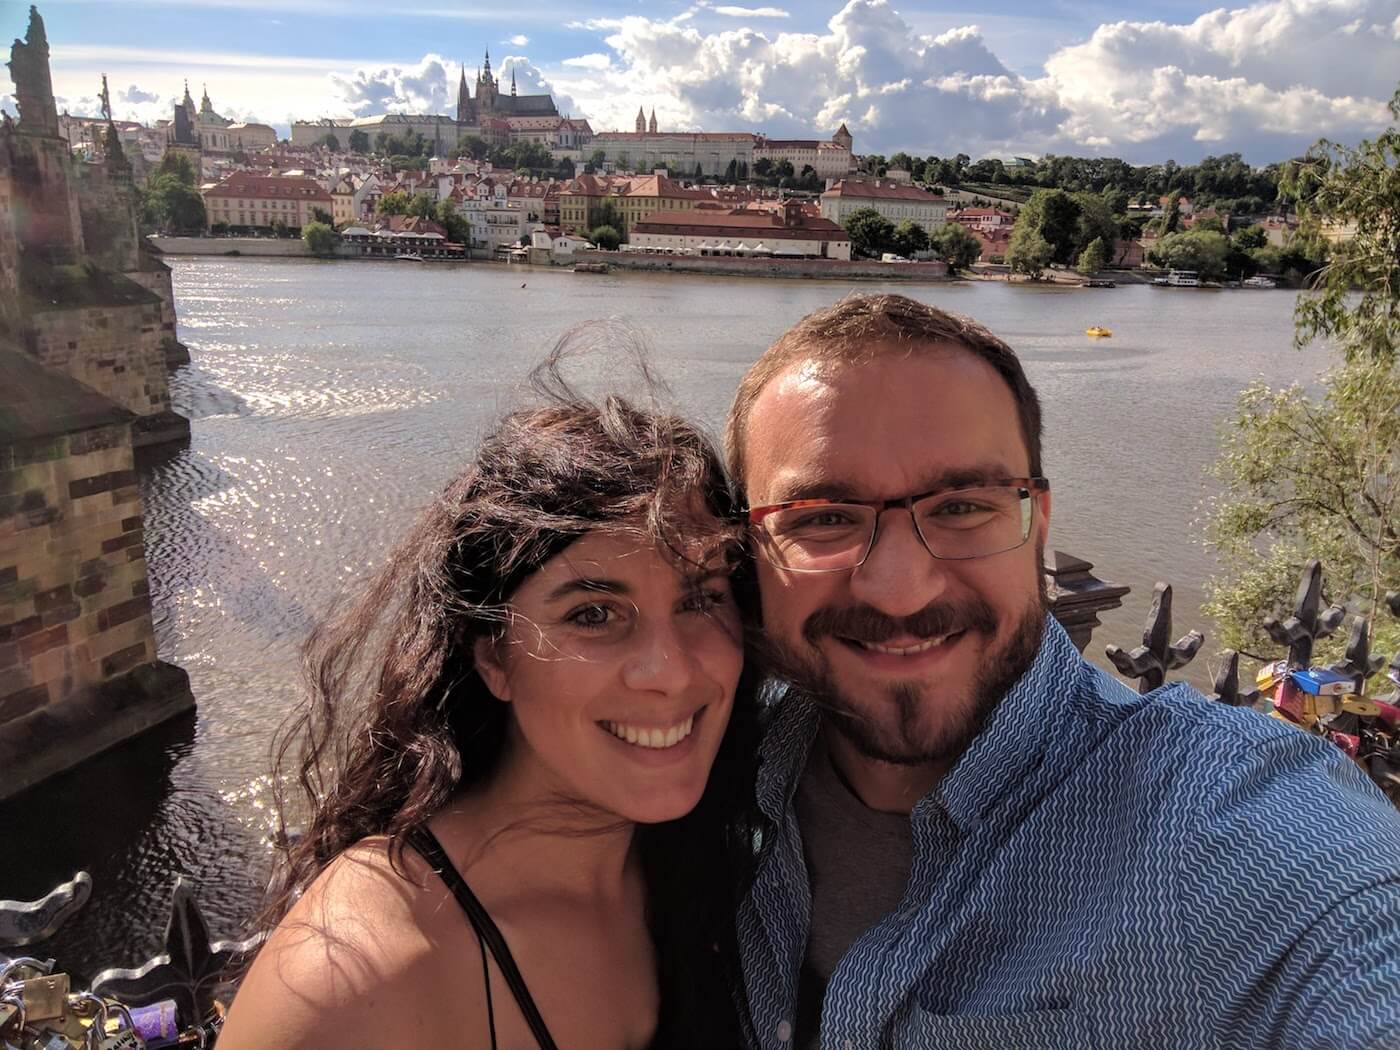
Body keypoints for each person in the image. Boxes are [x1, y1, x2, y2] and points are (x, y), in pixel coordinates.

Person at [726, 293, 1400, 1049]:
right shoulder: (711, 762)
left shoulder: (1217, 817)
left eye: (961, 506)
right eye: (823, 518)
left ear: (1037, 524)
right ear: (747, 553)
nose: (899, 589)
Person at [218, 345, 761, 1050]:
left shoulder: (723, 862)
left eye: (701, 599)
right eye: (594, 614)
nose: (670, 671)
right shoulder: (356, 981)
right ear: (492, 655)